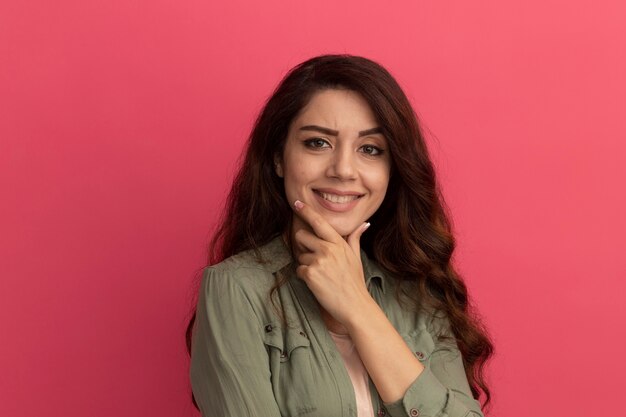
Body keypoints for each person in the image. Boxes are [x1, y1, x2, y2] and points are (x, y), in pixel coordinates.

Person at [187, 54, 493, 417]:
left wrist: (357, 307)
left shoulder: (421, 292)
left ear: (392, 170)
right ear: (278, 158)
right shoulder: (235, 289)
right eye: (318, 143)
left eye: (370, 149)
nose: (344, 170)